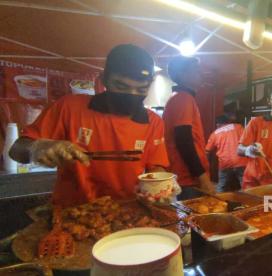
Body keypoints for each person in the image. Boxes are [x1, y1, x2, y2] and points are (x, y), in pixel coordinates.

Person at [9, 44, 170, 207]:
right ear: (104, 79)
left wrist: (162, 185)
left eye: (141, 89)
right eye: (121, 86)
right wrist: (37, 148)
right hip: (72, 212)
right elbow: (16, 150)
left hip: (126, 212)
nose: (132, 95)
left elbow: (155, 168)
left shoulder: (153, 122)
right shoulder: (69, 107)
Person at [163, 56, 215, 198]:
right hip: (187, 180)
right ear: (182, 74)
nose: (201, 74)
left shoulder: (180, 97)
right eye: (196, 70)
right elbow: (183, 140)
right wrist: (203, 178)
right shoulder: (182, 98)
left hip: (185, 178)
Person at [206, 115, 247, 192]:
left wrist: (206, 166)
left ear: (218, 124)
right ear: (228, 122)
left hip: (225, 163)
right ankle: (246, 202)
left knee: (221, 186)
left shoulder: (215, 133)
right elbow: (247, 140)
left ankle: (219, 202)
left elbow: (207, 150)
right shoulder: (238, 127)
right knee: (245, 185)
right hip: (241, 161)